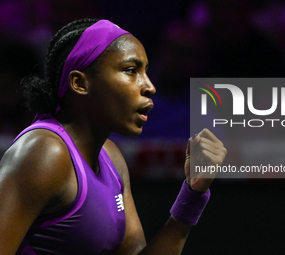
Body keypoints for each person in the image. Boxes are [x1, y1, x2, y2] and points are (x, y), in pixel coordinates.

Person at [0, 18, 227, 255]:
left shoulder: (112, 157)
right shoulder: (44, 152)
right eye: (131, 70)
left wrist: (192, 196)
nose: (149, 86)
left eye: (146, 72)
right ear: (79, 83)